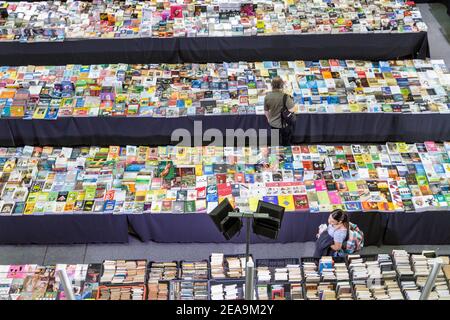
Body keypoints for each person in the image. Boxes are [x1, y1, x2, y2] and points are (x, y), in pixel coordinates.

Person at [264, 76, 296, 146]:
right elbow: (292, 109)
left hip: (273, 123)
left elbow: (266, 111)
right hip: (284, 124)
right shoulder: (285, 97)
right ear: (281, 85)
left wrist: (269, 119)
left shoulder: (267, 96)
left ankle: (274, 155)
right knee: (286, 143)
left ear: (272, 85)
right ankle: (286, 156)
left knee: (274, 143)